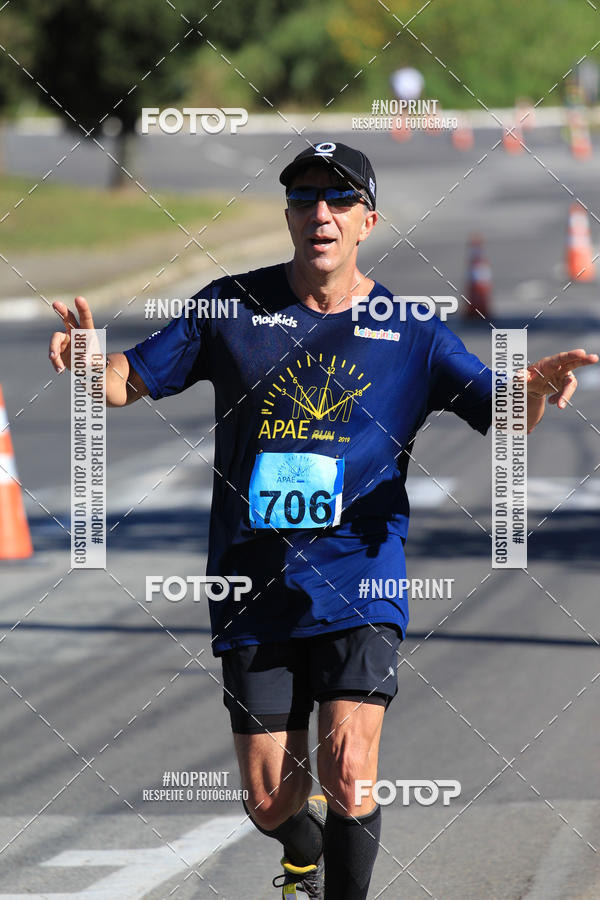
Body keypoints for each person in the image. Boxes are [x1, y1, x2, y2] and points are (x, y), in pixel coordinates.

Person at [48, 141, 598, 899]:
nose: (321, 214)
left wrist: (534, 389)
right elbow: (125, 383)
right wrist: (87, 362)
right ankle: (301, 856)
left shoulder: (413, 331)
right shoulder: (227, 306)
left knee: (348, 769)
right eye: (305, 199)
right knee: (269, 798)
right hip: (253, 577)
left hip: (360, 573)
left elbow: (504, 415)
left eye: (339, 201)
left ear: (367, 220)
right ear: (288, 216)